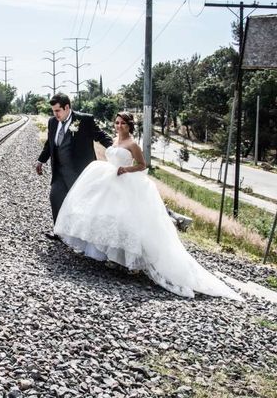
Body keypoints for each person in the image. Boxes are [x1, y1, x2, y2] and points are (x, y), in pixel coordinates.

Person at [54, 112, 242, 300]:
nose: (119, 126)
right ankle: (111, 255)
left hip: (125, 183)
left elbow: (142, 165)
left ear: (129, 126)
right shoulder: (115, 141)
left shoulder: (132, 144)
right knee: (105, 216)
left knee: (125, 220)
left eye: (123, 124)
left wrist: (126, 169)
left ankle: (128, 261)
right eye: (117, 123)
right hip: (109, 181)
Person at [36, 93, 113, 231]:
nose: (55, 114)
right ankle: (59, 232)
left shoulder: (84, 120)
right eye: (53, 111)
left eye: (58, 111)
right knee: (55, 197)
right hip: (59, 171)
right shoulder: (52, 122)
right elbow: (50, 144)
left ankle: (81, 234)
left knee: (81, 205)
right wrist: (41, 160)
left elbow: (100, 135)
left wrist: (114, 149)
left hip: (79, 172)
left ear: (67, 107)